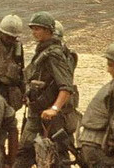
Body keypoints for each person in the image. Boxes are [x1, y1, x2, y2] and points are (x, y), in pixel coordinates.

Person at [15, 11, 76, 168]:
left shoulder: (54, 54)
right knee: (24, 154)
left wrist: (54, 109)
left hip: (50, 117)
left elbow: (66, 86)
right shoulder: (43, 50)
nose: (34, 32)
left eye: (38, 29)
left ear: (48, 30)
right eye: (33, 29)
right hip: (37, 112)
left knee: (58, 156)